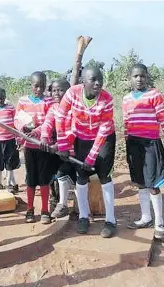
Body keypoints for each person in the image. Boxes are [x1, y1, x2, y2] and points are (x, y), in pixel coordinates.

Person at [56, 66, 117, 238]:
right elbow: (60, 117)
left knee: (104, 176)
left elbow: (104, 129)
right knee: (81, 176)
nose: (98, 83)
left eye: (100, 79)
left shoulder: (107, 99)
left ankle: (111, 220)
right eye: (93, 79)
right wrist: (62, 145)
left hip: (104, 138)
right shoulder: (72, 94)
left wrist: (92, 157)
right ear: (83, 81)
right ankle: (84, 216)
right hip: (81, 137)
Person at [124, 64, 164, 239]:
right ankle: (145, 217)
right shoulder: (126, 99)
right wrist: (128, 143)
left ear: (147, 77)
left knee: (153, 184)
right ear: (130, 79)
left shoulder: (154, 95)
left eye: (142, 75)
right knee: (140, 182)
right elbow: (126, 123)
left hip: (150, 144)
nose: (139, 79)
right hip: (133, 145)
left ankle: (159, 223)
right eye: (135, 76)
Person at [14, 71, 55, 224]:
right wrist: (23, 129)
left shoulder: (50, 101)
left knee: (44, 178)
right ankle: (30, 210)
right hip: (29, 146)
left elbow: (49, 122)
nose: (39, 89)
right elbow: (17, 119)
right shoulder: (23, 101)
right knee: (30, 178)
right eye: (36, 86)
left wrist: (36, 131)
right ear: (31, 85)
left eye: (42, 86)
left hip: (44, 146)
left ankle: (45, 211)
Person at [41, 78, 76, 218]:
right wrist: (44, 137)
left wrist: (59, 146)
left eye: (60, 90)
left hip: (75, 151)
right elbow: (47, 124)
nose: (56, 93)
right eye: (54, 90)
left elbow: (75, 131)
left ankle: (77, 209)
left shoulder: (74, 108)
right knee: (61, 174)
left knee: (78, 179)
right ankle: (61, 204)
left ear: (68, 91)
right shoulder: (54, 108)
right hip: (62, 151)